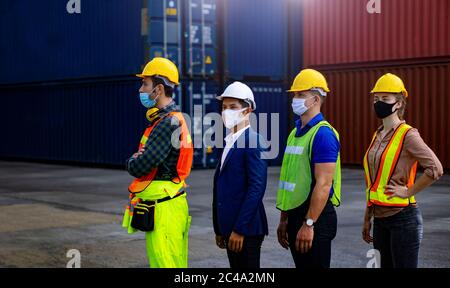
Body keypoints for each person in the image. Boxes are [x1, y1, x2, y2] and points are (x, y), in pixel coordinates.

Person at [362, 73, 443, 268]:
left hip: (403, 219)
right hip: (380, 220)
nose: (378, 103)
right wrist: (368, 218)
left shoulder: (408, 135)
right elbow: (375, 182)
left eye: (385, 99)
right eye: (376, 98)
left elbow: (436, 169)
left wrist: (408, 191)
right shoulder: (378, 134)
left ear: (398, 103)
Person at [121, 57, 194, 268]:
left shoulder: (165, 124)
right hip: (170, 204)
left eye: (145, 84)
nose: (141, 89)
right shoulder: (174, 119)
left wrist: (132, 160)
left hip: (164, 211)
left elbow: (140, 165)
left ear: (158, 89)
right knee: (175, 263)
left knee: (164, 263)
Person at [276, 69, 341, 268]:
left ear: (315, 99)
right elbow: (291, 179)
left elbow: (323, 184)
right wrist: (284, 218)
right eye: (295, 94)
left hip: (315, 220)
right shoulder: (295, 133)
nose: (295, 99)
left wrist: (309, 224)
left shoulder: (323, 134)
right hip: (296, 216)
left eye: (300, 95)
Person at [212, 81, 269, 268]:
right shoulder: (229, 141)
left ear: (248, 110)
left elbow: (256, 188)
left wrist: (239, 229)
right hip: (229, 228)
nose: (226, 112)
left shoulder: (254, 141)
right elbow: (221, 187)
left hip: (246, 231)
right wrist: (219, 229)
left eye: (233, 107)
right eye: (224, 107)